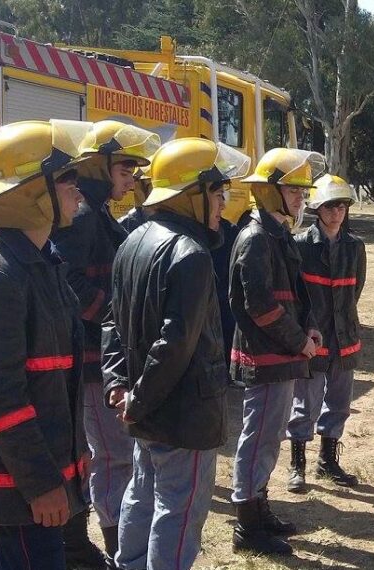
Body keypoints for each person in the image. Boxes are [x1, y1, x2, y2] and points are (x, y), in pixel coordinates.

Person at [0, 120, 93, 570]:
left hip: (43, 471)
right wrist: (40, 483)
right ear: (32, 190)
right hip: (23, 483)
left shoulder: (40, 265)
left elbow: (55, 378)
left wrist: (76, 448)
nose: (79, 191)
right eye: (68, 179)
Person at [102, 138, 250, 570]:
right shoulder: (192, 255)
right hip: (181, 415)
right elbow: (176, 344)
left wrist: (119, 386)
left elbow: (111, 323)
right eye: (217, 194)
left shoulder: (132, 240)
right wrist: (136, 398)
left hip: (143, 408)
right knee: (179, 509)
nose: (222, 205)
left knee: (141, 493)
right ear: (193, 195)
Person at [51, 120, 160, 565]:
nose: (132, 177)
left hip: (105, 354)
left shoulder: (96, 214)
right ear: (98, 168)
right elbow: (71, 283)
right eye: (123, 169)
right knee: (113, 456)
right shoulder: (82, 217)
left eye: (133, 169)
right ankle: (113, 550)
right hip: (94, 357)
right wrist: (117, 318)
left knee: (111, 453)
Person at [228, 148, 325, 556]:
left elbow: (292, 297)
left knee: (269, 437)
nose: (302, 199)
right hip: (267, 357)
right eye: (294, 191)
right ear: (271, 193)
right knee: (259, 438)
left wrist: (310, 327)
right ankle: (248, 528)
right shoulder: (255, 237)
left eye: (303, 192)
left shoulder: (275, 233)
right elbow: (261, 306)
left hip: (281, 356)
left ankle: (260, 508)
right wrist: (300, 342)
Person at [286, 174, 367, 494]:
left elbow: (355, 291)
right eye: (330, 206)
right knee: (305, 405)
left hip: (344, 338)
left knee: (339, 404)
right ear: (317, 209)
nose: (336, 213)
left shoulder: (355, 247)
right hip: (313, 339)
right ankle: (297, 465)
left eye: (342, 206)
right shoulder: (300, 246)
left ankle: (327, 461)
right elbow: (294, 296)